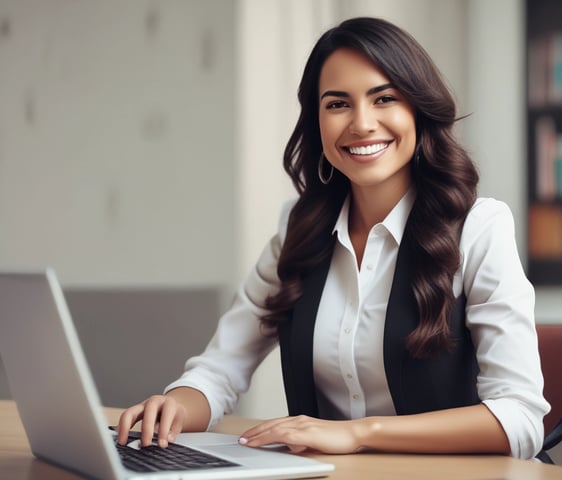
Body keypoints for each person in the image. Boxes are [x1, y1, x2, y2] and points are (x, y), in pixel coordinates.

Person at [117, 16, 550, 459]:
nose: (362, 124)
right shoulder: (299, 231)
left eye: (384, 98)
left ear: (418, 110)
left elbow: (519, 420)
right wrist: (174, 403)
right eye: (338, 104)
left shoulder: (479, 228)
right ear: (316, 120)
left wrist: (360, 433)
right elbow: (219, 371)